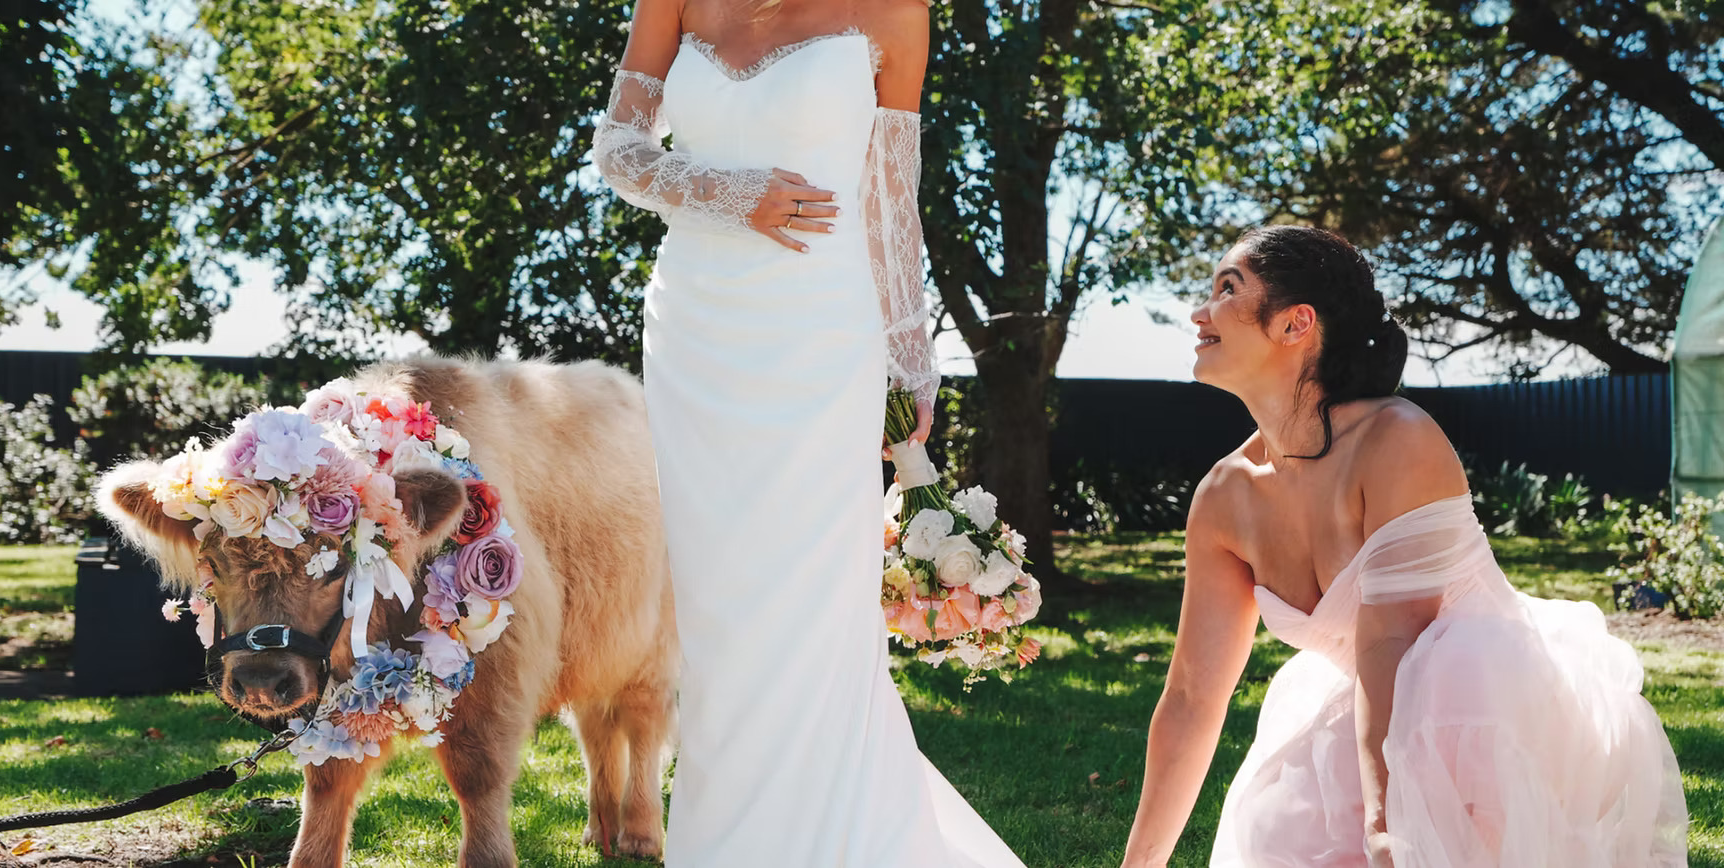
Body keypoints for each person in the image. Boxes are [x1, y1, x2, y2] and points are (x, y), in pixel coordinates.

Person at [590, 0, 1026, 864]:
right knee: (719, 605)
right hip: (698, 328)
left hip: (824, 330)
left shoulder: (897, 13)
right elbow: (618, 150)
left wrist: (909, 361)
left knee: (817, 597)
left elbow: (890, 201)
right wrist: (730, 193)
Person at [1118, 225, 1688, 868]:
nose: (1200, 311)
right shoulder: (1224, 496)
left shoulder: (1398, 440)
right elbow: (1194, 696)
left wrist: (1388, 828)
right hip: (1366, 708)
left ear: (1295, 323)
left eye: (1228, 288)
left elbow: (1394, 642)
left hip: (1486, 712)